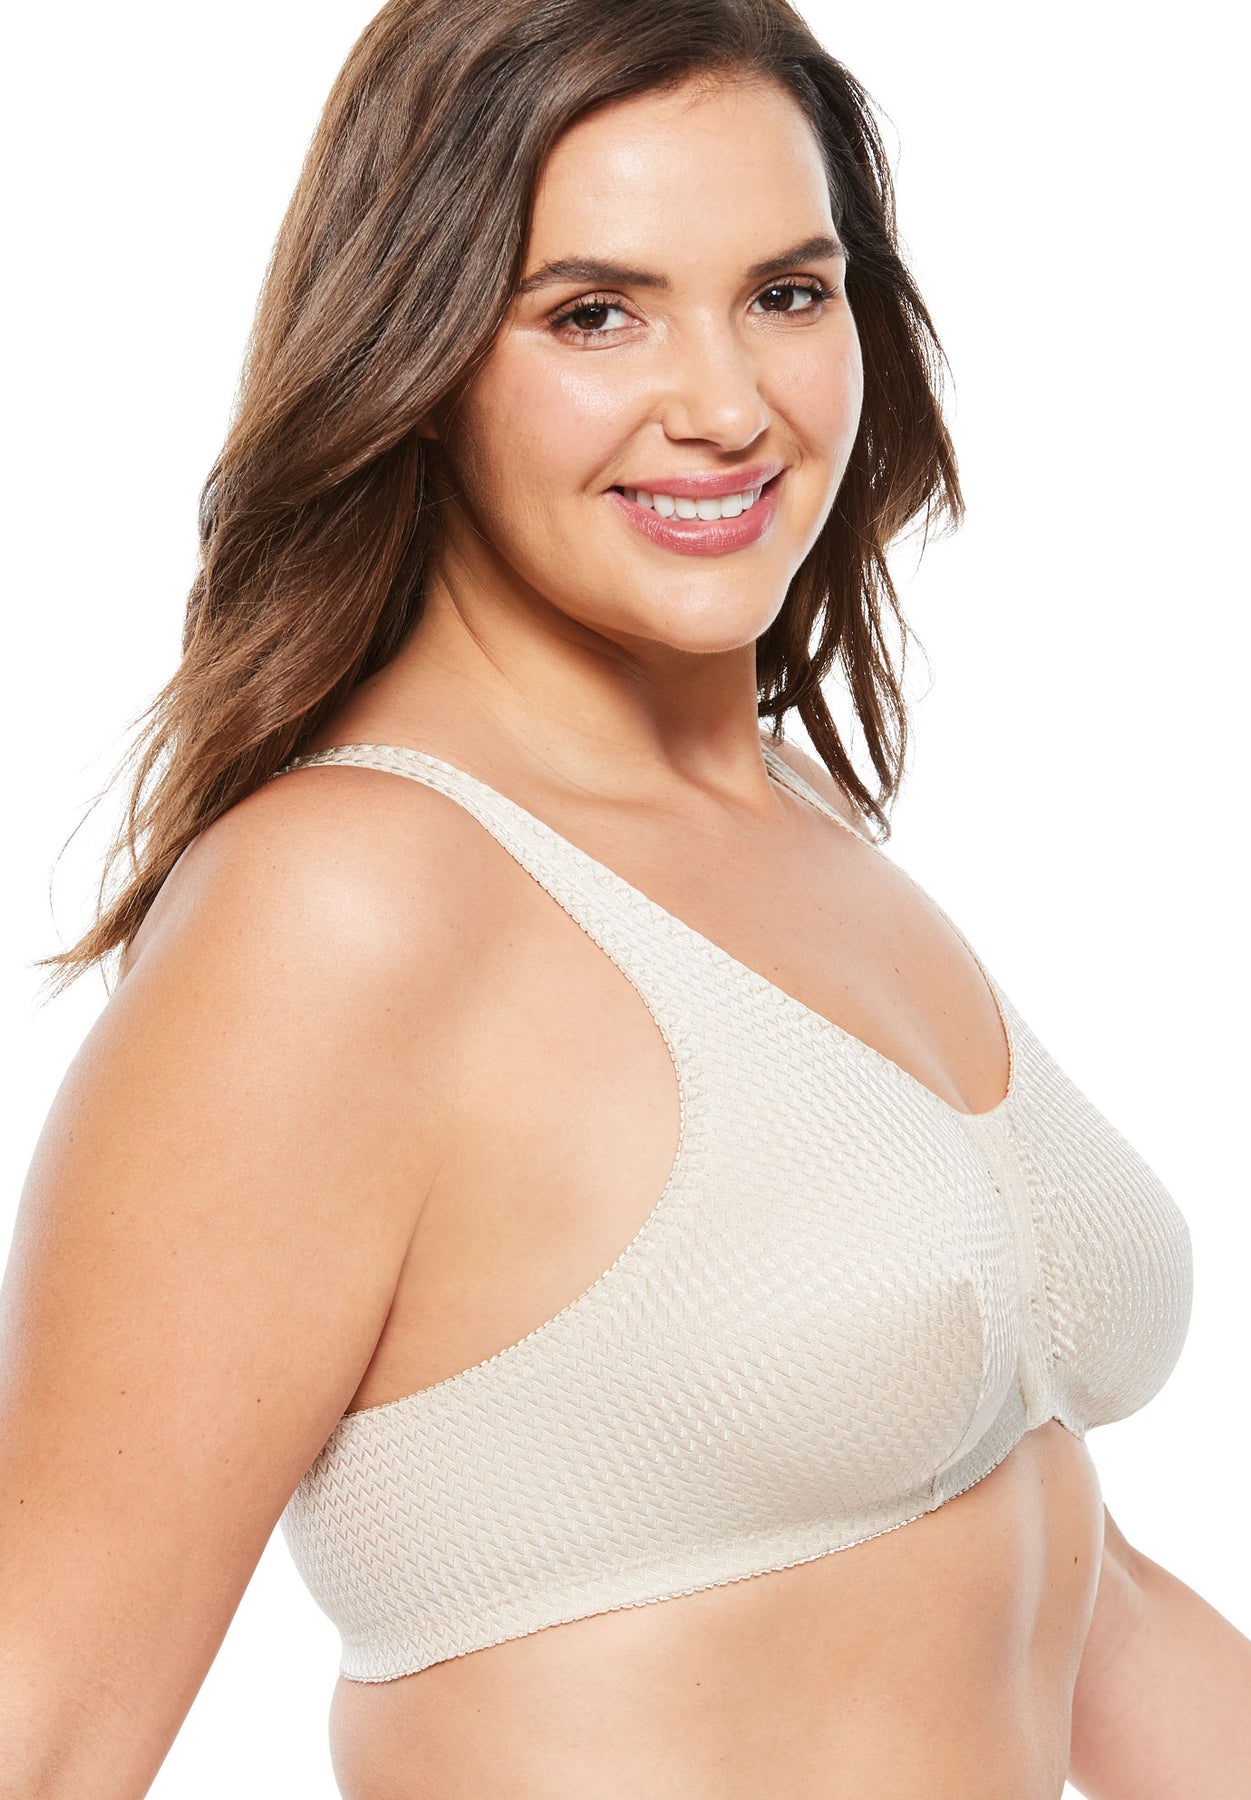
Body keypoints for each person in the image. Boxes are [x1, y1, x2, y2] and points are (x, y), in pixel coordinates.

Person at [1, 1, 1247, 1796]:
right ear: (419, 352)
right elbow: (43, 1731)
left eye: (787, 293)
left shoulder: (794, 824)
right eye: (596, 313)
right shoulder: (346, 908)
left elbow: (1066, 1585)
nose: (729, 406)